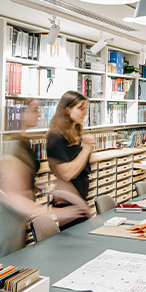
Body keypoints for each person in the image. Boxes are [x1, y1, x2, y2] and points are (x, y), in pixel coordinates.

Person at [0, 99, 88, 260]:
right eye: (34, 110)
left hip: (17, 217)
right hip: (5, 218)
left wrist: (49, 187)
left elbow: (24, 180)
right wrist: (55, 212)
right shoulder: (10, 144)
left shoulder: (23, 140)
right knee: (6, 270)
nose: (39, 114)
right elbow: (12, 195)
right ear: (19, 113)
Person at [47, 91, 95, 229]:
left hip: (80, 200)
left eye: (85, 109)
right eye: (80, 108)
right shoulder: (56, 137)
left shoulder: (76, 134)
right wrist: (86, 150)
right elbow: (67, 174)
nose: (84, 113)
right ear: (68, 109)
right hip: (68, 204)